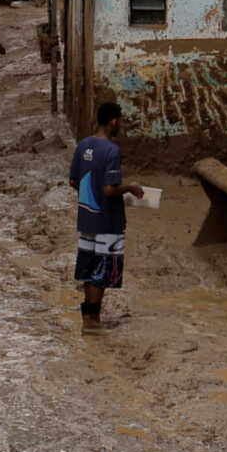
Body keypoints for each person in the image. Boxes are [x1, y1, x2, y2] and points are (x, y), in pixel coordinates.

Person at [70, 101, 135, 332]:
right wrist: (130, 188)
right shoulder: (112, 151)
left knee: (89, 268)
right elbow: (109, 190)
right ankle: (92, 322)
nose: (121, 125)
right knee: (102, 270)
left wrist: (90, 196)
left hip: (87, 218)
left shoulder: (83, 144)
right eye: (120, 120)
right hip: (108, 221)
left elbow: (74, 181)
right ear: (113, 121)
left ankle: (89, 318)